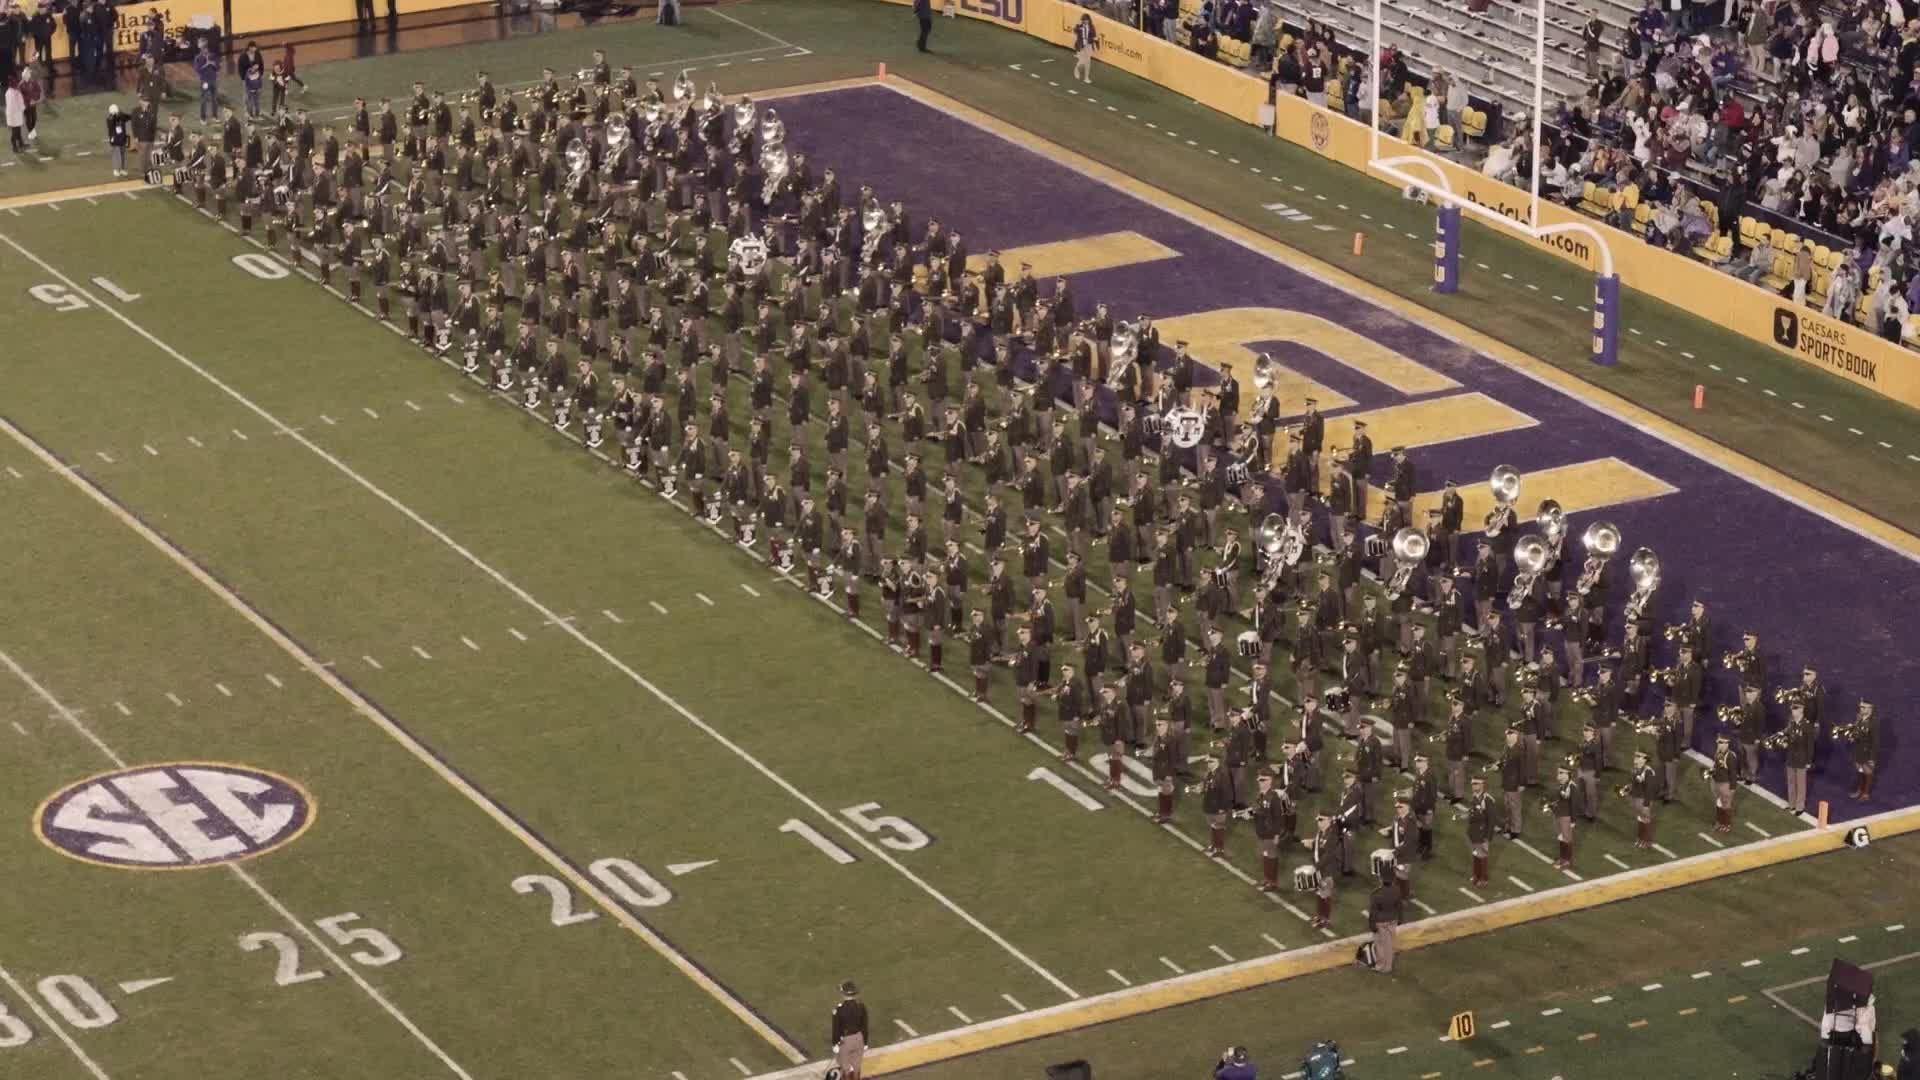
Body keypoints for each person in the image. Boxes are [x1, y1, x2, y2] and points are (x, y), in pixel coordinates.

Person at [831, 980, 868, 1080]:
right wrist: (865, 1042)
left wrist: (835, 1043)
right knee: (857, 1067)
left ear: (844, 993)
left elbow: (836, 1029)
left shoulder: (839, 1009)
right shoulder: (861, 1006)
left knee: (845, 1068)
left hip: (845, 1041)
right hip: (859, 1038)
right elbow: (864, 1025)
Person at [192, 38, 219, 123]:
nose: (205, 51)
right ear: (201, 49)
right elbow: (197, 69)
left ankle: (214, 116)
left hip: (213, 80)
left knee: (214, 99)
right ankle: (202, 118)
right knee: (204, 99)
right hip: (205, 81)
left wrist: (213, 63)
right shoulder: (198, 58)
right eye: (204, 49)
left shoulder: (212, 56)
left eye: (206, 49)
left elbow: (217, 67)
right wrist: (206, 64)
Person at [105, 102, 130, 177]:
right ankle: (116, 169)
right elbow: (114, 120)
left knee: (123, 155)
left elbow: (129, 117)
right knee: (116, 155)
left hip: (122, 139)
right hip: (115, 140)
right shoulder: (109, 119)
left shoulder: (121, 116)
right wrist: (118, 115)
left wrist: (122, 113)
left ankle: (122, 169)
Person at [1072, 14, 1099, 84]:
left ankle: (1086, 78)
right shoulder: (1079, 26)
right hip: (1081, 45)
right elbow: (1075, 31)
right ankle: (1077, 69)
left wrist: (1096, 44)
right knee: (1082, 61)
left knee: (1088, 62)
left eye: (1087, 20)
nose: (1086, 21)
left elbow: (1094, 36)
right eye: (1084, 20)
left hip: (1088, 45)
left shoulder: (1092, 27)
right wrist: (1078, 24)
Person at [4, 77, 21, 154]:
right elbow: (13, 105)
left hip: (16, 114)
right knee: (15, 131)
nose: (17, 84)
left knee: (18, 129)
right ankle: (14, 146)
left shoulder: (14, 91)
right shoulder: (10, 93)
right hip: (13, 115)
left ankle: (20, 143)